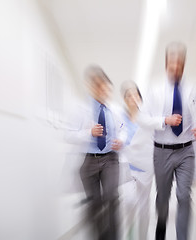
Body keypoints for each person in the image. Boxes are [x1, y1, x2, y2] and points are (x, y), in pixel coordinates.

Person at [144, 42, 196, 240]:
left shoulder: (193, 90)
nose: (177, 68)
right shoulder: (155, 90)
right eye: (173, 63)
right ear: (166, 64)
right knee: (163, 197)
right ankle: (161, 226)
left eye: (180, 64)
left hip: (186, 151)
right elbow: (144, 118)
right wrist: (163, 120)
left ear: (183, 65)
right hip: (162, 151)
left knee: (184, 196)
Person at [64, 65, 126, 240]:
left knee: (111, 197)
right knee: (94, 204)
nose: (102, 89)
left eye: (105, 85)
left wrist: (120, 139)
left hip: (110, 159)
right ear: (90, 86)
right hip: (89, 160)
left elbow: (123, 129)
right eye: (97, 85)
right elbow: (67, 135)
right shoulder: (79, 109)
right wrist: (88, 133)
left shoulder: (115, 109)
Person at [118, 81, 156, 240]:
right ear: (125, 99)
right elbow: (118, 135)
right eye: (128, 95)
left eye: (135, 94)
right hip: (127, 166)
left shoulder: (148, 117)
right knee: (129, 202)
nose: (132, 97)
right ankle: (129, 235)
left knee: (143, 207)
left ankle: (142, 237)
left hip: (145, 167)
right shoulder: (120, 117)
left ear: (140, 97)